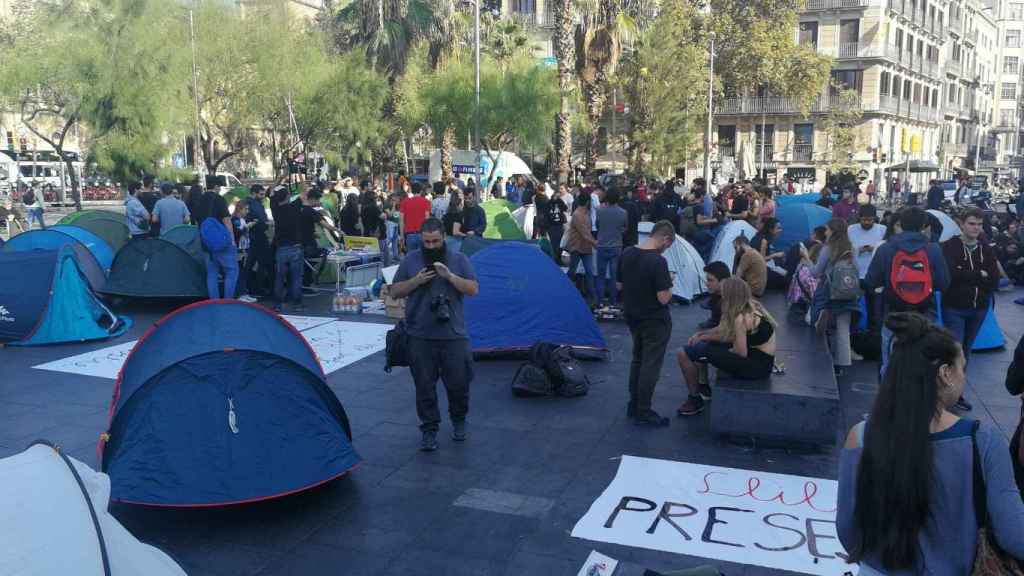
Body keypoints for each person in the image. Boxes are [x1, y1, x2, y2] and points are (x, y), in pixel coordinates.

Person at [837, 313, 1024, 574]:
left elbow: (847, 528)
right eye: (962, 367)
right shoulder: (983, 442)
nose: (963, 376)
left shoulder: (860, 435)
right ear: (946, 373)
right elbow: (1013, 532)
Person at [389, 218, 479, 451]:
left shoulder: (458, 259)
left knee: (459, 384)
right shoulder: (411, 260)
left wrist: (450, 277)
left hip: (453, 334)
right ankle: (429, 429)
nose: (430, 246)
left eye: (435, 241)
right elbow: (395, 291)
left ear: (444, 238)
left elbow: (473, 289)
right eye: (426, 242)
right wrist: (416, 281)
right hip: (420, 334)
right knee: (424, 387)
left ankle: (459, 419)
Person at [865, 207, 951, 377]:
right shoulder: (933, 249)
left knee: (888, 359)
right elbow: (944, 283)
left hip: (893, 311)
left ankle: (888, 397)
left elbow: (870, 281)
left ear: (901, 224)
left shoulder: (886, 248)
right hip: (924, 312)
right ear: (924, 226)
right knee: (922, 359)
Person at [677, 277, 777, 416]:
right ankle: (703, 388)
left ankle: (695, 400)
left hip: (755, 367)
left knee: (684, 353)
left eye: (723, 293)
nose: (721, 295)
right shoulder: (751, 307)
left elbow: (740, 352)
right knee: (704, 346)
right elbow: (730, 335)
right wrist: (703, 335)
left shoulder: (741, 318)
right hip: (762, 363)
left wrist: (718, 351)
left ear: (730, 295)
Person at [941, 208, 1000, 411]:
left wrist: (969, 274)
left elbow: (993, 277)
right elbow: (951, 275)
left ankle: (957, 393)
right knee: (954, 352)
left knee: (966, 352)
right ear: (962, 224)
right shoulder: (949, 246)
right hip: (955, 307)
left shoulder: (986, 248)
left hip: (979, 308)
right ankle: (945, 392)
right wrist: (978, 274)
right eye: (972, 223)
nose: (976, 228)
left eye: (979, 224)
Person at [619, 220, 676, 427]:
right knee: (650, 365)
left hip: (632, 315)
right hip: (654, 320)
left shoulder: (627, 253)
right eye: (667, 246)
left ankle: (633, 404)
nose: (665, 250)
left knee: (637, 360)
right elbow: (663, 298)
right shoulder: (657, 262)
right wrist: (670, 285)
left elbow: (619, 284)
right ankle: (644, 410)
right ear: (665, 238)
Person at [811, 219, 861, 374]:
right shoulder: (852, 248)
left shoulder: (828, 248)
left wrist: (806, 260)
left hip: (829, 291)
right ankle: (841, 365)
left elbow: (816, 272)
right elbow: (856, 269)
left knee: (823, 325)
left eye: (827, 229)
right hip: (847, 292)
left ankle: (824, 359)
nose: (825, 232)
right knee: (843, 329)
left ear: (832, 231)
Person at [192, 184, 238, 299]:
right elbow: (227, 220)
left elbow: (196, 223)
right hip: (222, 243)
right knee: (232, 271)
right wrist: (232, 240)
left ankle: (214, 302)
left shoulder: (199, 200)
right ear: (216, 186)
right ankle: (228, 301)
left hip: (207, 244)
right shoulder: (219, 199)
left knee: (212, 274)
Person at [299, 188, 341, 287]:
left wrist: (312, 234)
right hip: (309, 244)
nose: (319, 202)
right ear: (312, 199)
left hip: (299, 243)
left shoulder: (298, 209)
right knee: (317, 259)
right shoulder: (311, 211)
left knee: (305, 265)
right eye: (317, 200)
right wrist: (338, 230)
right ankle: (308, 285)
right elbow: (325, 225)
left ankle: (306, 285)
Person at [271, 186, 304, 311]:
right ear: (288, 197)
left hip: (281, 248)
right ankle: (297, 304)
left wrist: (280, 178)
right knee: (296, 277)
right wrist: (300, 175)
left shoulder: (275, 209)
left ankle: (277, 304)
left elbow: (271, 191)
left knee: (279, 278)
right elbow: (304, 192)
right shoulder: (294, 207)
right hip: (295, 247)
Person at [595, 189, 627, 307]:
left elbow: (598, 225)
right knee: (614, 276)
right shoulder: (623, 212)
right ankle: (613, 302)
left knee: (601, 275)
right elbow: (625, 228)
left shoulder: (599, 211)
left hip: (602, 245)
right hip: (616, 246)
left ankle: (600, 301)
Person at [566, 190, 599, 306]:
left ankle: (593, 298)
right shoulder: (577, 215)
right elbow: (584, 233)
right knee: (572, 271)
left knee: (589, 272)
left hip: (586, 247)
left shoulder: (586, 213)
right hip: (577, 246)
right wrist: (596, 243)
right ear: (587, 202)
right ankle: (566, 292)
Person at [847, 204, 886, 280]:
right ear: (859, 218)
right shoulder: (851, 229)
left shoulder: (883, 229)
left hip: (875, 273)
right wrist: (857, 250)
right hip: (855, 272)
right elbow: (847, 249)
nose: (867, 222)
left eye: (870, 220)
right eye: (864, 220)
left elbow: (885, 251)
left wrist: (874, 249)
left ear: (874, 218)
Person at [750, 217, 787, 290]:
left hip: (757, 268)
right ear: (770, 229)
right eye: (778, 228)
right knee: (785, 278)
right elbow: (761, 260)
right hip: (756, 272)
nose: (780, 230)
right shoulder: (764, 241)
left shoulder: (763, 237)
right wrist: (775, 255)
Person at [698, 261, 731, 330]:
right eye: (707, 280)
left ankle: (716, 320)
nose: (707, 284)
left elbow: (728, 333)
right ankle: (715, 319)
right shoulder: (719, 294)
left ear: (723, 281)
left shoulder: (732, 300)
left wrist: (703, 336)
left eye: (710, 280)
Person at [400, 182, 432, 253]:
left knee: (411, 258)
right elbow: (427, 219)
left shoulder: (404, 202)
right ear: (421, 190)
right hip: (423, 234)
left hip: (409, 234)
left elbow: (401, 221)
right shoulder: (426, 202)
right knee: (423, 258)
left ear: (411, 190)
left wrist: (402, 236)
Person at [544, 186, 569, 263]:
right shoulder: (558, 201)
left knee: (554, 243)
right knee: (558, 243)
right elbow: (565, 208)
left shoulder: (549, 203)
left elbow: (545, 213)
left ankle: (555, 259)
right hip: (557, 225)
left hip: (552, 225)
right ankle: (556, 259)